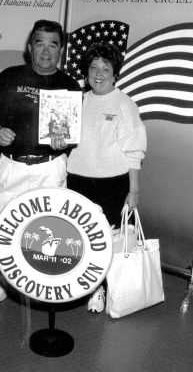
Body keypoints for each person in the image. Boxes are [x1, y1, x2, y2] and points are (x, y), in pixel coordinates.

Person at [0, 19, 81, 312]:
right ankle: (1, 284)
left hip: (51, 168)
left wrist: (65, 142)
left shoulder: (69, 86)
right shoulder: (9, 77)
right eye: (40, 43)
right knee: (4, 232)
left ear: (61, 50)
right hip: (13, 167)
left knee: (47, 231)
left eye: (53, 44)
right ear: (29, 46)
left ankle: (41, 286)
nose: (46, 51)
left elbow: (71, 132)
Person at [67, 42, 147, 313]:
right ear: (86, 71)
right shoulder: (77, 100)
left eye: (105, 68)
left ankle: (100, 289)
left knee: (108, 241)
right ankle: (84, 284)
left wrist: (133, 190)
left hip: (112, 184)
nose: (98, 74)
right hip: (76, 181)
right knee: (81, 237)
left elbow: (134, 150)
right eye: (93, 67)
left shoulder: (125, 104)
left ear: (116, 74)